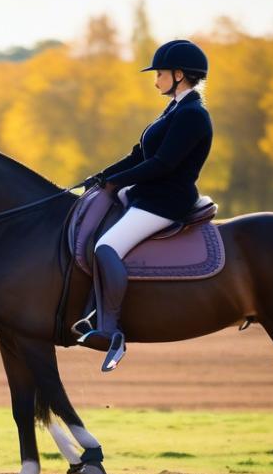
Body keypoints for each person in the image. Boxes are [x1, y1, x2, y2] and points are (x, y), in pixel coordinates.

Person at [81, 39, 213, 373]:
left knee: (106, 245)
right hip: (147, 194)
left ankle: (111, 329)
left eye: (160, 73)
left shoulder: (193, 115)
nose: (156, 79)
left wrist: (117, 182)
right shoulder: (174, 110)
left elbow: (163, 164)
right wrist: (102, 176)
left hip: (166, 200)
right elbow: (138, 154)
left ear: (179, 74)